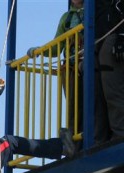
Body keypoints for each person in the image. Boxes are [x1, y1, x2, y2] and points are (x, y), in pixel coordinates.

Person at [27, 0, 84, 135]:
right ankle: (74, 139)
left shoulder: (94, 9)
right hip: (71, 69)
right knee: (73, 108)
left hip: (90, 64)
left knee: (91, 103)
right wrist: (39, 51)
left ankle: (85, 136)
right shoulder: (67, 18)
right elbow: (56, 48)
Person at [94, 0, 124, 144]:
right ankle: (98, 138)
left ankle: (121, 133)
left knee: (112, 89)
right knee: (97, 94)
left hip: (115, 36)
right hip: (98, 40)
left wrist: (123, 35)